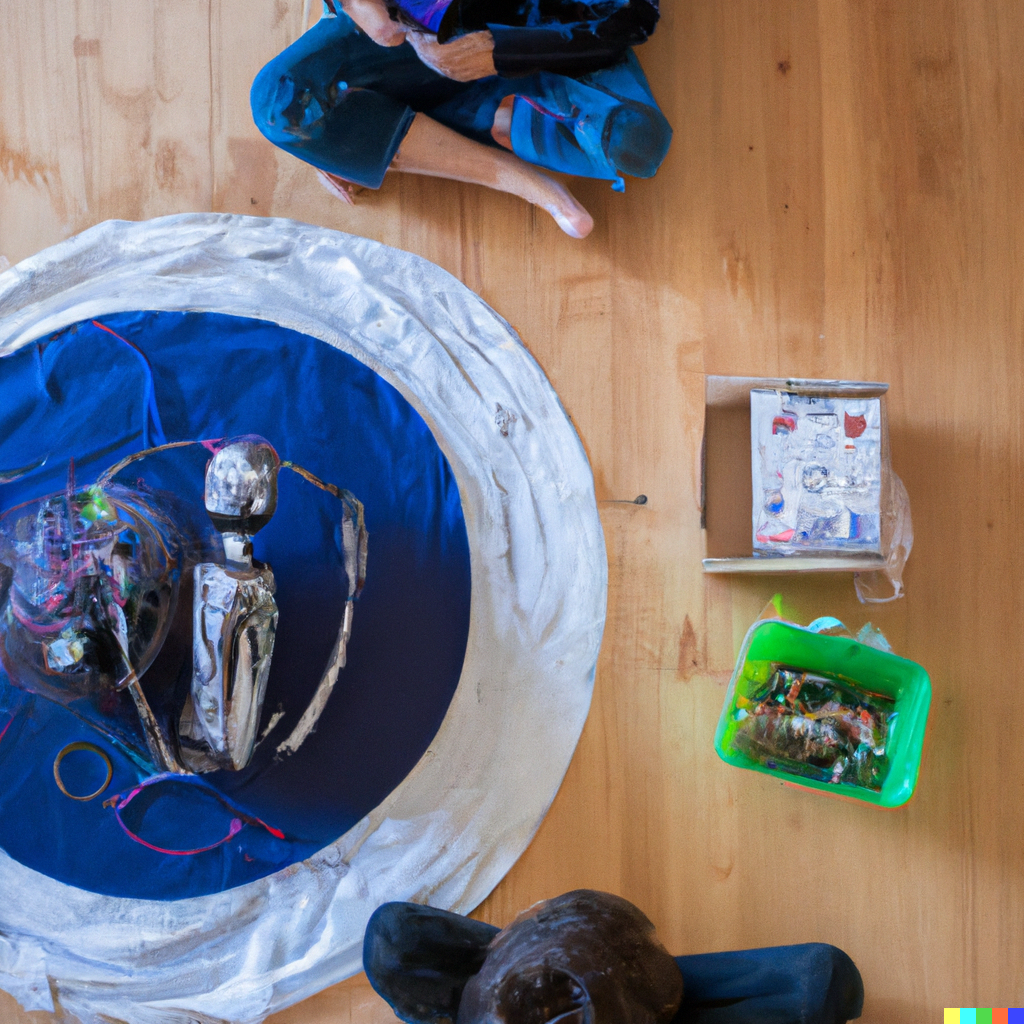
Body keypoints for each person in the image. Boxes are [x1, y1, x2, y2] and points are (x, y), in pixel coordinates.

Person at [250, 0, 673, 238]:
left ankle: (504, 115)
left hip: (545, 37)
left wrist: (501, 50)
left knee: (636, 143)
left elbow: (633, 14)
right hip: (404, 39)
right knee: (281, 106)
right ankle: (524, 180)